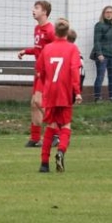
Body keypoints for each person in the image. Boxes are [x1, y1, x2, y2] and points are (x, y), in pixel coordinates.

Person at [37, 18, 83, 173]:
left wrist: (47, 84)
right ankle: (61, 151)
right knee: (66, 125)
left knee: (50, 125)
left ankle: (44, 164)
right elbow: (74, 71)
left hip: (50, 91)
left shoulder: (47, 48)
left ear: (55, 32)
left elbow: (40, 71)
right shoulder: (72, 48)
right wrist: (77, 92)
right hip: (64, 91)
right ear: (67, 32)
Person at [17, 0, 55, 147]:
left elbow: (57, 50)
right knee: (34, 104)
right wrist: (26, 51)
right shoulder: (37, 28)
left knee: (39, 102)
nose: (33, 10)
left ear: (44, 12)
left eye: (37, 8)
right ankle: (35, 138)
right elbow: (39, 49)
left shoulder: (50, 30)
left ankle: (56, 131)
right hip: (39, 71)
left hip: (46, 72)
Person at [90, 5, 112, 102]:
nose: (109, 14)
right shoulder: (99, 25)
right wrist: (99, 54)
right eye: (107, 12)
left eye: (111, 12)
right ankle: (97, 98)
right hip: (102, 56)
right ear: (103, 14)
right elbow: (97, 41)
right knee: (100, 77)